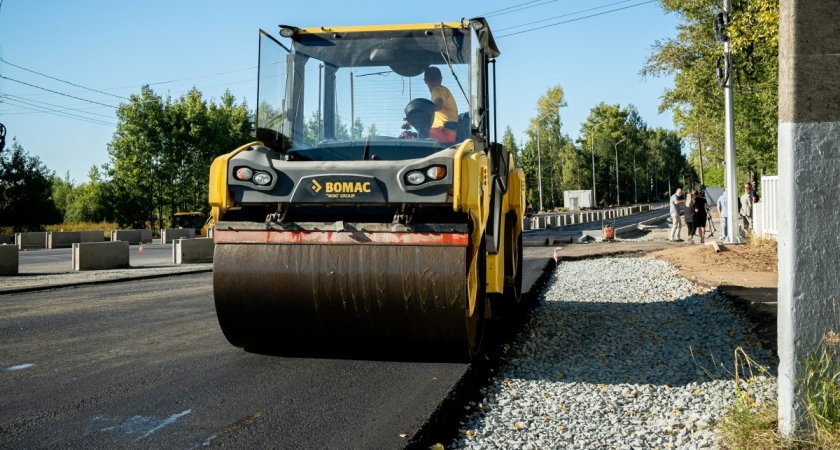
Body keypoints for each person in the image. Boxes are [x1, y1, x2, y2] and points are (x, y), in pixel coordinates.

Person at [423, 67, 458, 144]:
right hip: (450, 133)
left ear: (426, 81)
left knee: (416, 139)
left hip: (443, 132)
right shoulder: (444, 90)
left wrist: (422, 111)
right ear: (441, 79)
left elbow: (438, 105)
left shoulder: (437, 90)